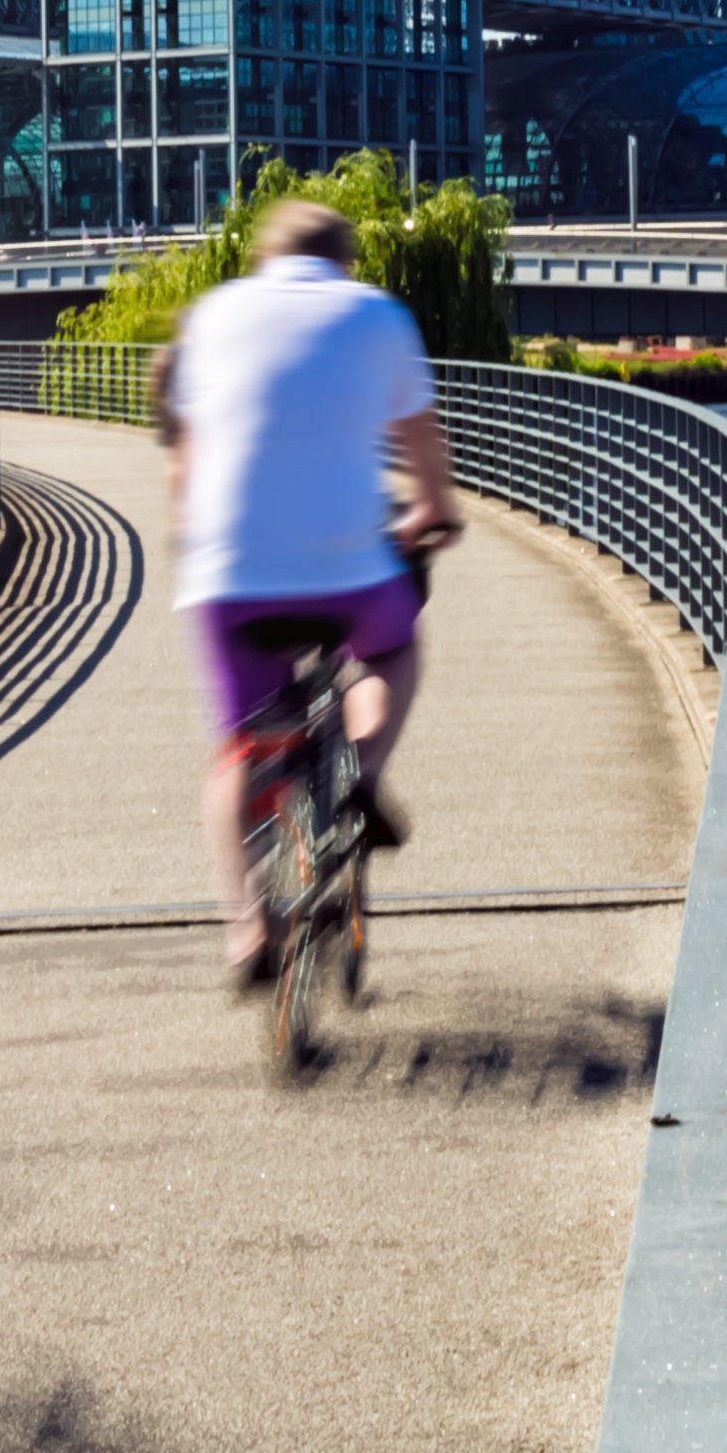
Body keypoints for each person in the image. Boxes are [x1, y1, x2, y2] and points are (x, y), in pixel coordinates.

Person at [164, 197, 467, 984]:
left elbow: (185, 465)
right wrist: (435, 515)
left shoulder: (213, 316)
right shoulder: (376, 315)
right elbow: (424, 455)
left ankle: (243, 930)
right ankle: (359, 783)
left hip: (229, 574)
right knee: (393, 652)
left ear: (267, 256)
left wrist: (195, 543)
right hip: (346, 569)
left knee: (238, 745)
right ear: (344, 259)